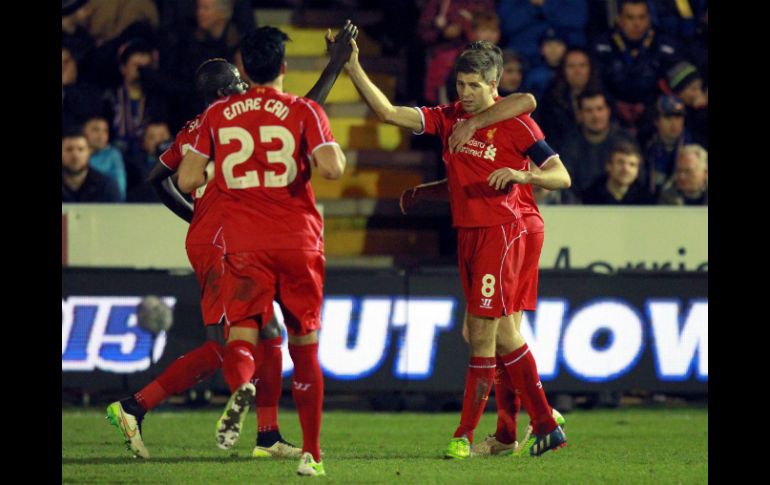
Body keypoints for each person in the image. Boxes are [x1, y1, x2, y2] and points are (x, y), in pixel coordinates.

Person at [106, 24, 358, 466]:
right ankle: (135, 405)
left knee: (269, 335)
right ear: (229, 90)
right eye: (239, 85)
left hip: (222, 232)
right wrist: (335, 66)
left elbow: (158, 177)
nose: (247, 89)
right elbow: (300, 113)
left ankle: (267, 435)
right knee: (231, 343)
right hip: (231, 238)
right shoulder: (233, 115)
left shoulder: (204, 122)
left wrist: (195, 215)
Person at [345, 38, 569, 459]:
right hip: (470, 232)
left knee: (491, 331)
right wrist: (355, 67)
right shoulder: (448, 118)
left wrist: (524, 178)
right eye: (459, 83)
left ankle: (478, 432)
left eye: (472, 86)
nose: (463, 93)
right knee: (492, 332)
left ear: (493, 85)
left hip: (504, 231)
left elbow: (560, 175)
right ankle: (521, 428)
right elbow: (388, 113)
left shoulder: (518, 123)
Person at [177, 25, 352, 477]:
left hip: (244, 244)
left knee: (242, 336)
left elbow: (186, 181)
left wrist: (226, 167)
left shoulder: (218, 115)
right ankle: (311, 455)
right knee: (305, 344)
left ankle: (242, 391)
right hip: (297, 241)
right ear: (284, 67)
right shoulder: (304, 109)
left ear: (243, 68)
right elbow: (332, 169)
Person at [582, 142, 655, 205]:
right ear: (608, 166)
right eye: (620, 163)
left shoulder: (646, 199)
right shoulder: (590, 196)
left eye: (632, 164)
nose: (626, 169)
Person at [62, 126, 121, 203]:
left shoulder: (106, 186)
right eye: (69, 149)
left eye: (81, 149)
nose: (75, 155)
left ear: (89, 153)